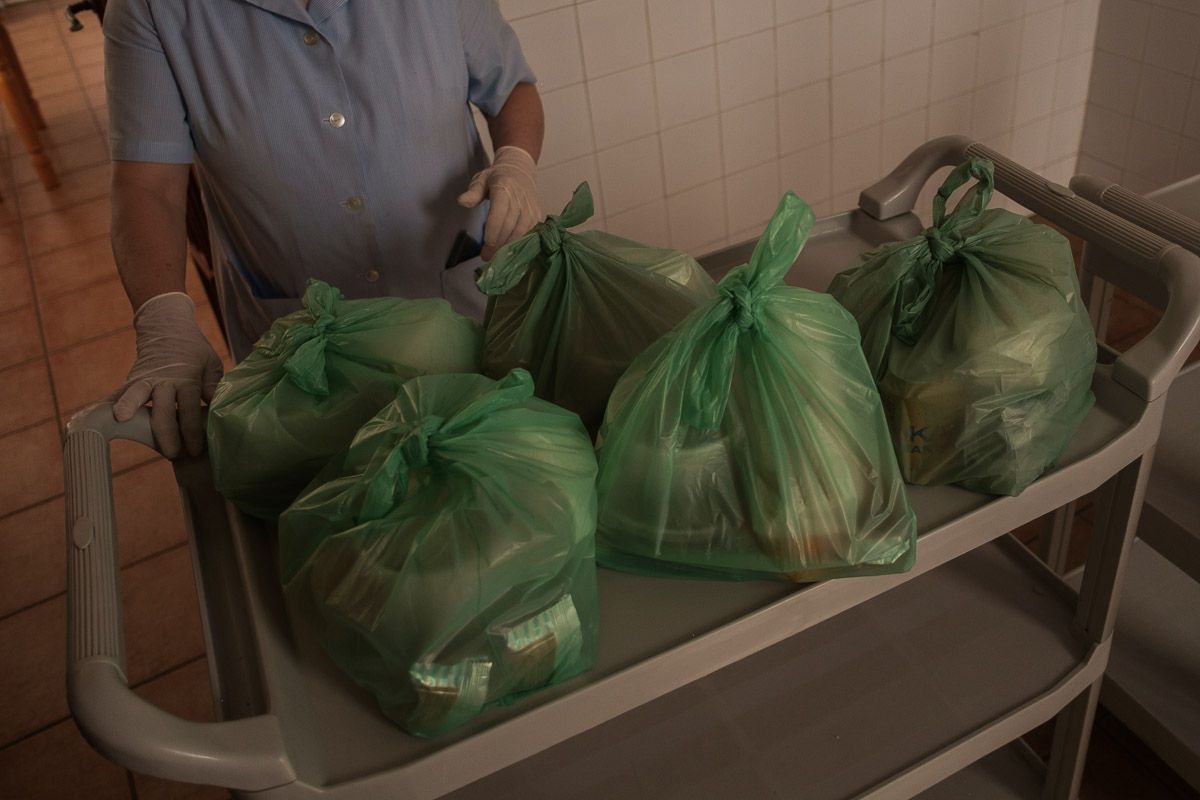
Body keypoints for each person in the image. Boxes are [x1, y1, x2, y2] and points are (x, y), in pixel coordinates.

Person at [102, 0, 544, 459]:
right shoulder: (150, 9)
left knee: (502, 464)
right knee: (337, 482)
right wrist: (163, 317)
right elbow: (147, 186)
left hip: (458, 302)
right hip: (302, 346)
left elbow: (511, 88)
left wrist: (516, 163)